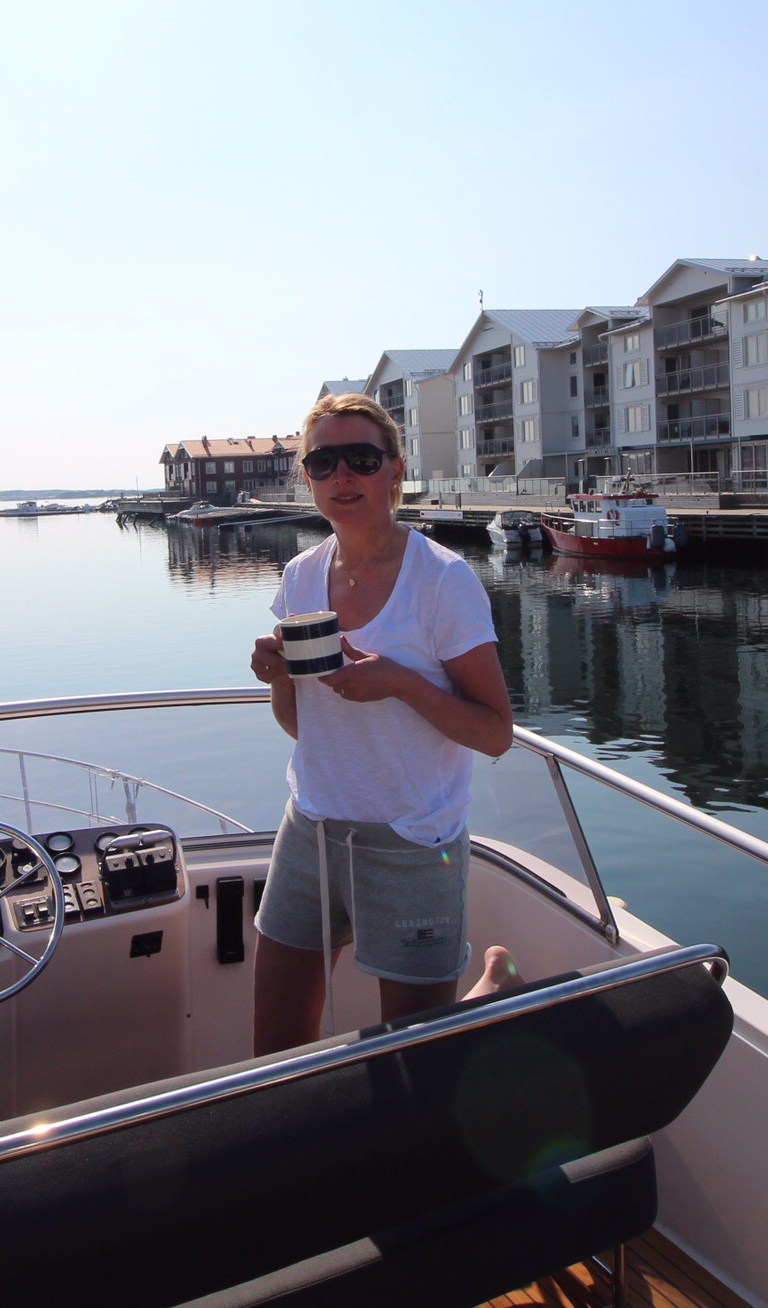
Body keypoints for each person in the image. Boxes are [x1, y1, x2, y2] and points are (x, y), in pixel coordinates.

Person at [248, 393, 521, 1056]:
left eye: (362, 459)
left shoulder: (442, 581)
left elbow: (496, 734)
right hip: (309, 829)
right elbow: (302, 728)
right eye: (323, 461)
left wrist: (400, 683)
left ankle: (492, 986)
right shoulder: (300, 577)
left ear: (395, 470)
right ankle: (490, 988)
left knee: (416, 1058)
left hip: (412, 841)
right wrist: (279, 677)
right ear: (307, 477)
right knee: (275, 1051)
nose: (342, 475)